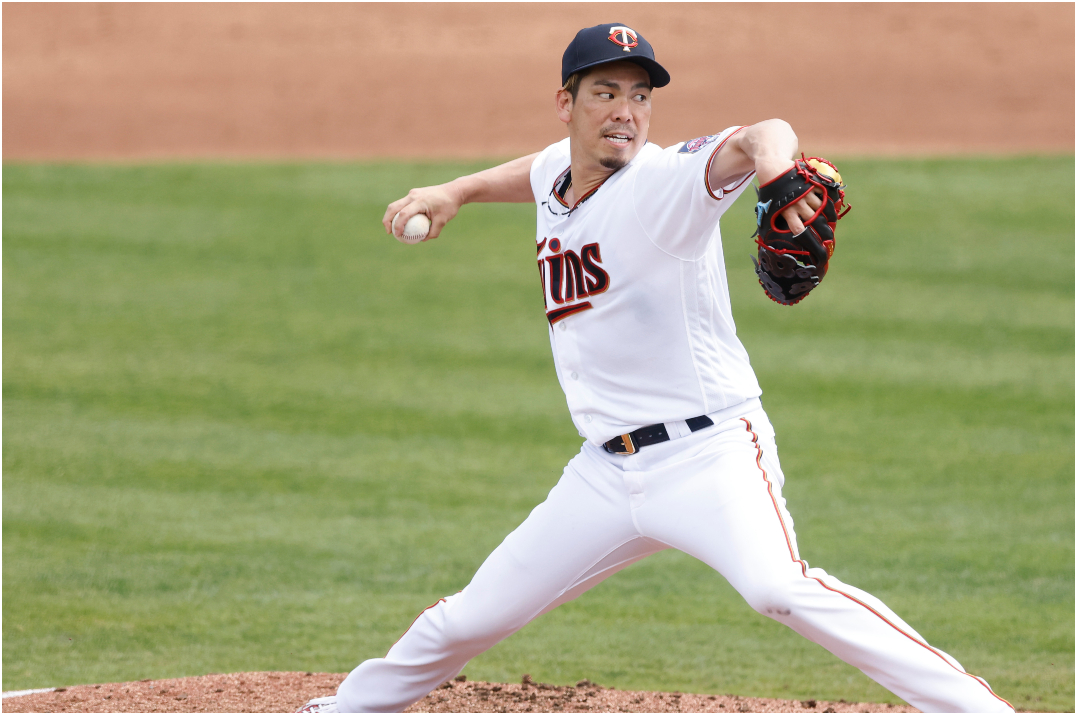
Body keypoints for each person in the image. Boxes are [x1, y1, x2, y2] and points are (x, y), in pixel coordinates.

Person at [298, 23, 1013, 714]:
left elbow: (762, 133)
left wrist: (775, 173)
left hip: (710, 453)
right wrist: (456, 190)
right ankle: (343, 709)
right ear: (566, 105)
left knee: (780, 588)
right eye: (606, 93)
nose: (626, 112)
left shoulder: (667, 182)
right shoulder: (561, 170)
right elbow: (541, 170)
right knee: (470, 618)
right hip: (605, 473)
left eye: (640, 96)